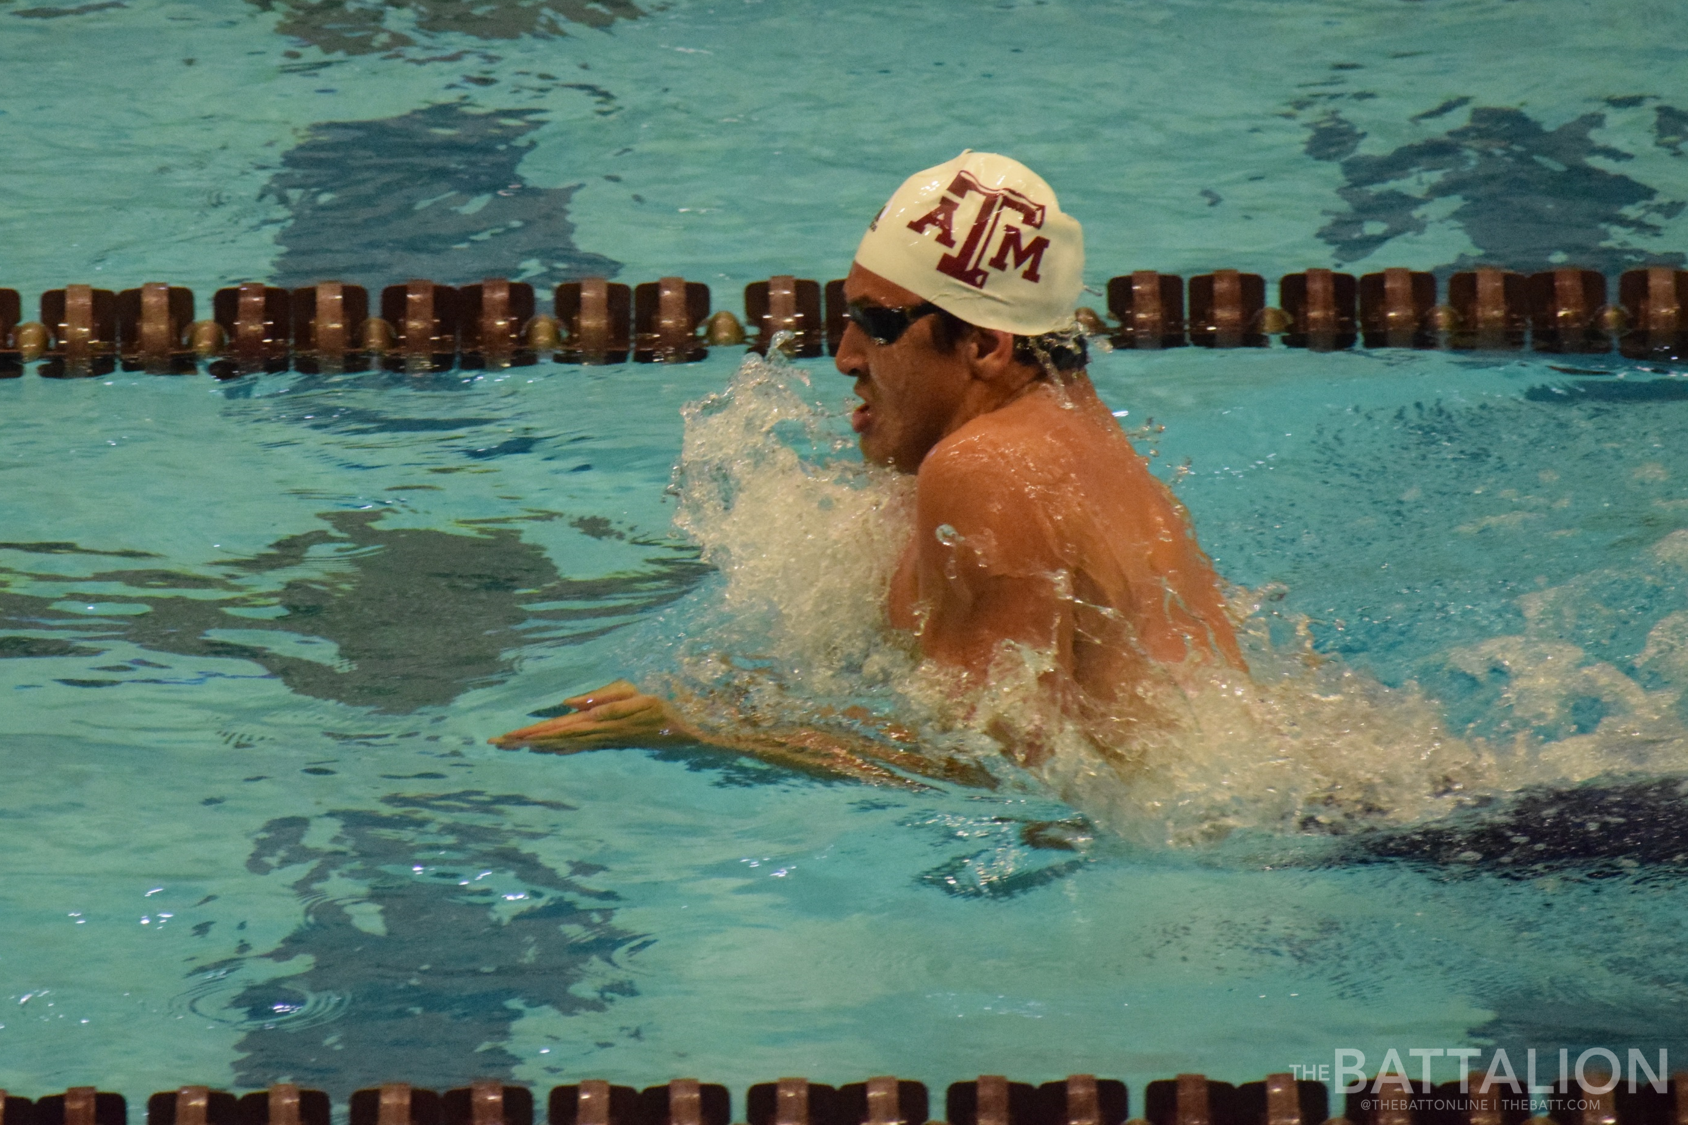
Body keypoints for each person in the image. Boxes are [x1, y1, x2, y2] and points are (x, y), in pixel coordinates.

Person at [493, 151, 1241, 778]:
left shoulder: (987, 465)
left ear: (985, 345)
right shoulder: (1074, 438)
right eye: (847, 315)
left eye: (878, 324)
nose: (846, 355)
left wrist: (711, 726)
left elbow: (1002, 768)